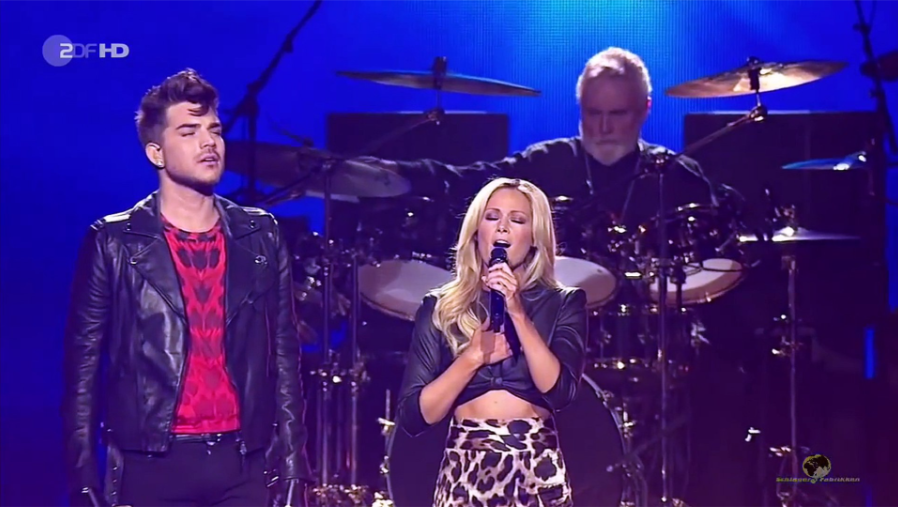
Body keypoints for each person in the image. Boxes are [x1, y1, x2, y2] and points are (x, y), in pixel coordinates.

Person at [61, 69, 311, 507]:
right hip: (153, 465)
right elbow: (82, 371)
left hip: (243, 463)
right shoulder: (113, 242)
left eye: (214, 130)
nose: (208, 142)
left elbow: (285, 357)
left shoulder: (261, 235)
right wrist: (83, 481)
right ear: (156, 152)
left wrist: (294, 467)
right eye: (189, 132)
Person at [367, 46, 723, 231]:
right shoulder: (546, 162)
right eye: (592, 112)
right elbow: (470, 179)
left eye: (617, 114)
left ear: (645, 109)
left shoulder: (676, 175)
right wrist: (392, 172)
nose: (603, 128)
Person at [395, 177, 588, 506]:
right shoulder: (440, 306)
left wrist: (517, 312)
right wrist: (472, 358)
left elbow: (561, 393)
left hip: (535, 471)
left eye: (517, 220)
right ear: (476, 230)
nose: (502, 228)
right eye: (492, 217)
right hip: (464, 473)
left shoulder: (563, 302)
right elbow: (414, 417)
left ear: (535, 237)